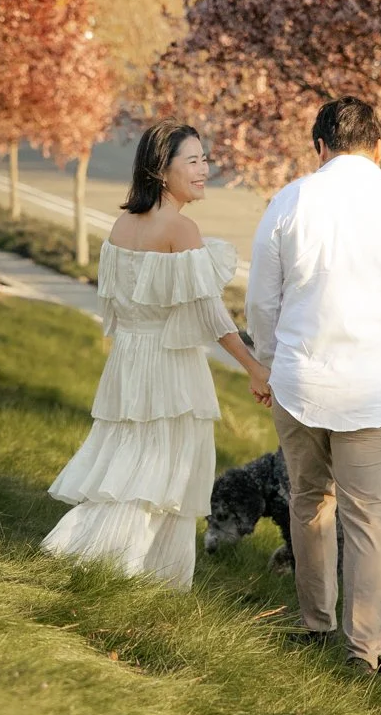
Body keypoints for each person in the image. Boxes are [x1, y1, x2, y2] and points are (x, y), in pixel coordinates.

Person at [248, 97, 381, 676]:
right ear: (379, 147)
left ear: (320, 147)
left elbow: (263, 300)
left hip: (300, 379)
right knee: (369, 519)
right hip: (379, 392)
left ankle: (315, 627)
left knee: (309, 501)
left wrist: (267, 364)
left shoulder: (289, 200)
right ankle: (365, 655)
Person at [40, 123, 274, 587]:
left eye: (204, 159)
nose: (204, 169)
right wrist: (255, 369)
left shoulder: (121, 225)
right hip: (169, 368)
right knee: (161, 473)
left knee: (128, 464)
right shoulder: (180, 229)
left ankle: (119, 570)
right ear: (161, 170)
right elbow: (209, 315)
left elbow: (116, 306)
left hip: (129, 362)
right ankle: (123, 569)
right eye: (193, 160)